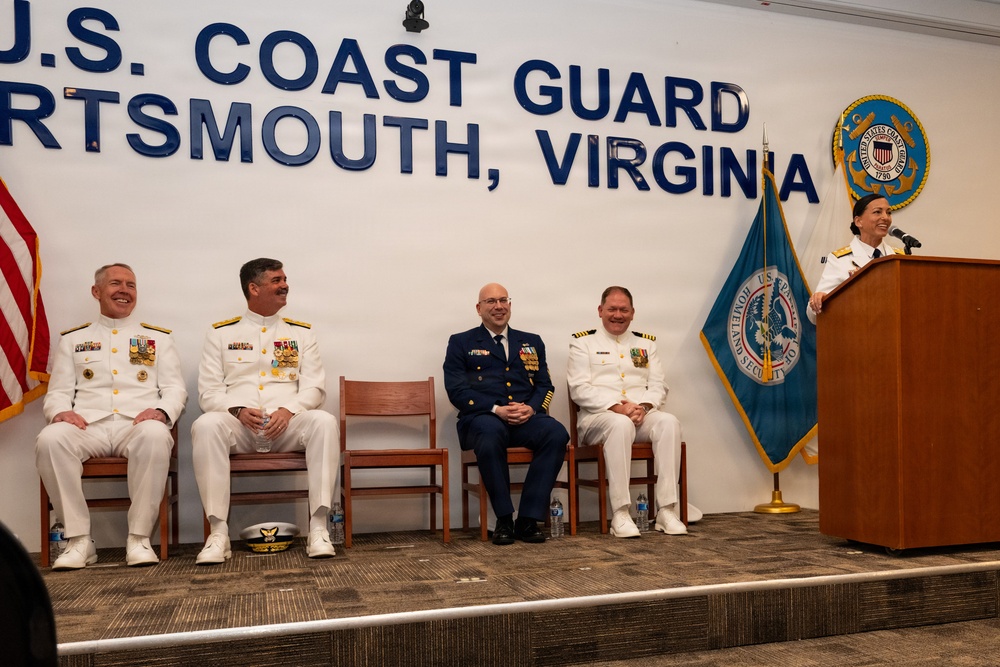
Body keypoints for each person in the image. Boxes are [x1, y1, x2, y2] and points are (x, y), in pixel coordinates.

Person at [36, 263, 186, 570]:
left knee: (155, 434)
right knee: (50, 439)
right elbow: (58, 392)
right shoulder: (73, 339)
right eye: (116, 283)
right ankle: (79, 540)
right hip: (88, 426)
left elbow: (175, 389)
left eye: (131, 285)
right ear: (96, 291)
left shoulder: (157, 338)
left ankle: (139, 538)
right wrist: (61, 412)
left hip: (136, 424)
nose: (124, 291)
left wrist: (160, 412)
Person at [191, 258, 339, 564]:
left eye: (284, 279)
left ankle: (318, 528)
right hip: (240, 428)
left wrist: (289, 410)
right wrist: (237, 410)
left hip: (287, 426)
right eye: (276, 280)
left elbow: (314, 388)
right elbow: (209, 392)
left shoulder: (301, 333)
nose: (285, 285)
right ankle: (218, 533)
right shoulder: (221, 333)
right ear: (254, 288)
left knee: (324, 421)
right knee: (206, 425)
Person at [567, 286, 701, 538]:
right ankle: (620, 512)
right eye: (612, 309)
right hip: (598, 420)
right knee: (621, 424)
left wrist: (644, 407)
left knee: (669, 422)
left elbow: (659, 385)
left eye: (624, 310)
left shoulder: (645, 344)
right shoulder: (583, 342)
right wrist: (618, 408)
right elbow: (579, 389)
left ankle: (666, 510)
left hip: (640, 416)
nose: (618, 315)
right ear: (600, 310)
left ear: (632, 313)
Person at [443, 283, 569, 545]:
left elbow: (545, 386)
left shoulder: (531, 341)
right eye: (491, 302)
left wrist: (531, 408)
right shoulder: (461, 342)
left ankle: (528, 519)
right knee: (490, 431)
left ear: (510, 305)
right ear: (479, 308)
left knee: (556, 433)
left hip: (523, 419)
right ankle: (503, 518)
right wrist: (496, 409)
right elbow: (456, 390)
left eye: (503, 300)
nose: (498, 307)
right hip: (481, 419)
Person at [807, 194, 904, 322]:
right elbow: (813, 315)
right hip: (856, 329)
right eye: (877, 212)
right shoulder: (840, 260)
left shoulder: (900, 258)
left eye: (888, 212)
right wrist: (819, 300)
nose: (885, 217)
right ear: (858, 221)